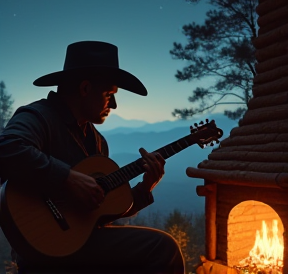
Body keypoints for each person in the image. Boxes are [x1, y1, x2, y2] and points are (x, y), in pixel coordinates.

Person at [0, 41, 185, 274]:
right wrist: (68, 178)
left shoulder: (97, 142)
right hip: (43, 250)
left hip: (77, 243)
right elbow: (7, 147)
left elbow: (99, 211)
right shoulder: (39, 117)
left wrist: (145, 187)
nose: (115, 105)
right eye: (110, 94)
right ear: (85, 88)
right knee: (162, 248)